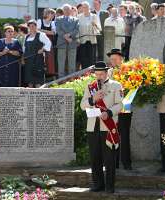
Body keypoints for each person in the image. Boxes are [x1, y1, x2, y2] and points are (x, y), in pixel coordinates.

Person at [81, 61, 123, 193]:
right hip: (93, 126)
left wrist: (109, 112)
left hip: (108, 127)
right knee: (95, 158)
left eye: (101, 74)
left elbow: (120, 105)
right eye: (97, 74)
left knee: (109, 159)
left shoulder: (116, 85)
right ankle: (98, 184)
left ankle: (110, 186)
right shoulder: (90, 87)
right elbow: (83, 105)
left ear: (106, 73)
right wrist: (92, 99)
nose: (99, 76)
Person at [107, 48, 132, 170]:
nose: (113, 61)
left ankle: (126, 163)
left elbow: (132, 88)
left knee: (125, 135)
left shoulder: (128, 71)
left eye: (115, 59)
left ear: (121, 59)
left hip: (125, 108)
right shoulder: (108, 72)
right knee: (112, 135)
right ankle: (114, 163)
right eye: (111, 59)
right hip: (111, 110)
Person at [23, 20, 51, 88]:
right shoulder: (26, 37)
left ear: (36, 26)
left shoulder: (41, 35)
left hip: (38, 61)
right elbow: (24, 48)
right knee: (29, 82)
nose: (32, 27)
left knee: (38, 82)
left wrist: (43, 49)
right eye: (30, 26)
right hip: (28, 61)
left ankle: (39, 98)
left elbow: (48, 43)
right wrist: (23, 58)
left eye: (33, 26)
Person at [56, 4, 79, 78]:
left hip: (72, 43)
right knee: (61, 63)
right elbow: (58, 30)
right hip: (61, 43)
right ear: (63, 10)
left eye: (68, 9)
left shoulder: (75, 19)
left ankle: (71, 79)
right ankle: (61, 80)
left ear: (71, 10)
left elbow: (76, 30)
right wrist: (66, 37)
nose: (67, 11)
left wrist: (69, 35)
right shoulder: (58, 19)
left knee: (72, 63)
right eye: (65, 9)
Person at [78, 1, 101, 69]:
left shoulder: (94, 16)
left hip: (92, 41)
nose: (85, 9)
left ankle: (92, 73)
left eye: (86, 7)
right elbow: (77, 29)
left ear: (89, 8)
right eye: (83, 7)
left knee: (92, 59)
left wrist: (95, 25)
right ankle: (84, 74)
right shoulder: (79, 17)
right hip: (82, 41)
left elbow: (99, 29)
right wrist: (78, 39)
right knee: (83, 59)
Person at [37, 8, 56, 75]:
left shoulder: (52, 23)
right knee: (41, 56)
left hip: (49, 41)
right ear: (47, 14)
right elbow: (37, 31)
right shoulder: (40, 21)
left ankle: (49, 73)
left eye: (53, 15)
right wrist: (48, 32)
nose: (53, 16)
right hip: (41, 41)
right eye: (52, 14)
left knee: (49, 57)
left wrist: (42, 30)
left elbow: (53, 33)